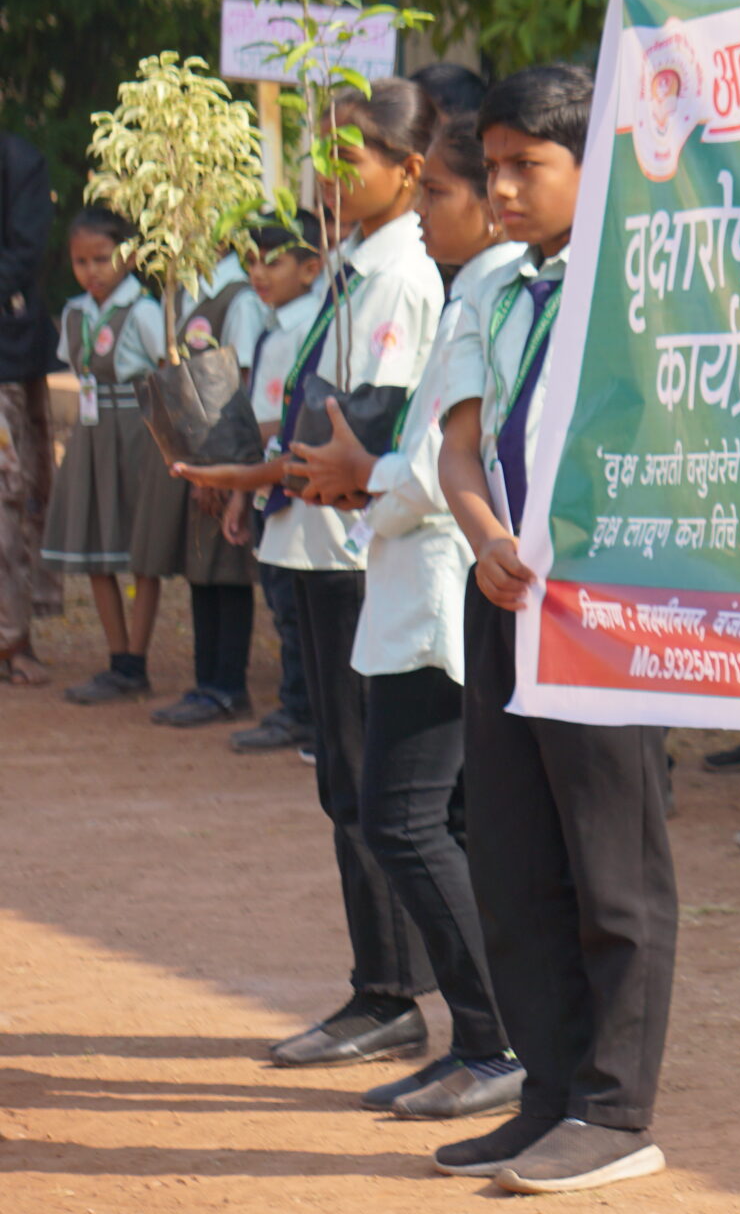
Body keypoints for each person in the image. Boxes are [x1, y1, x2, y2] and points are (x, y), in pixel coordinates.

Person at [432, 63, 675, 1194]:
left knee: (611, 865)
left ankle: (615, 1110)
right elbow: (459, 449)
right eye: (491, 168)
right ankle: (546, 1093)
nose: (503, 189)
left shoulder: (637, 283)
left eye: (528, 165)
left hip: (605, 607)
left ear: (593, 165)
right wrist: (486, 538)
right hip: (505, 600)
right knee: (514, 856)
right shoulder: (493, 294)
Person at [175, 80, 447, 1073]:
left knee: (371, 786)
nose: (325, 175)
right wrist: (257, 483)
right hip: (312, 545)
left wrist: (255, 476)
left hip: (356, 555)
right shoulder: (349, 267)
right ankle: (382, 985)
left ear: (408, 170)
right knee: (343, 778)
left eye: (347, 156)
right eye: (317, 156)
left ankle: (394, 994)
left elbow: (368, 428)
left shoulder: (401, 279)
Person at [290, 111, 525, 1120]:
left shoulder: (483, 293)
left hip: (436, 586)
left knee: (402, 818)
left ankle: (496, 1040)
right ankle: (483, 1038)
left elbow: (438, 464)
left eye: (438, 191)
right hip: (409, 580)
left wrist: (365, 473)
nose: (426, 208)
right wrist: (366, 476)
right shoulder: (470, 287)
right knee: (419, 818)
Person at [40, 208, 177, 702]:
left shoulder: (143, 310)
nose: (91, 271)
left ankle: (136, 661)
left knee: (141, 551)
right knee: (96, 548)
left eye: (101, 259)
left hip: (136, 434)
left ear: (129, 257)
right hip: (91, 434)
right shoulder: (75, 312)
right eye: (81, 261)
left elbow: (166, 373)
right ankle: (117, 658)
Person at [151, 232, 270, 729]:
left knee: (227, 568)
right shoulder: (186, 292)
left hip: (227, 455)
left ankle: (228, 686)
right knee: (202, 568)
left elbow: (239, 384)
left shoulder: (238, 300)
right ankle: (206, 682)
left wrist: (225, 468)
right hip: (196, 453)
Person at [226, 219, 325, 753]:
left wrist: (236, 450)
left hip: (296, 484)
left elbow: (286, 419)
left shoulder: (311, 328)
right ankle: (298, 707)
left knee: (296, 606)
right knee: (282, 601)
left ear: (311, 269)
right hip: (267, 482)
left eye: (274, 262)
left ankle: (304, 712)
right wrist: (241, 492)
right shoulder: (274, 326)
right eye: (252, 261)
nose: (259, 273)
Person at [0, 132, 55, 687]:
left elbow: (23, 254)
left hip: (5, 357)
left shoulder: (18, 161)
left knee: (6, 497)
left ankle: (12, 639)